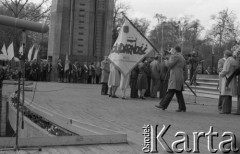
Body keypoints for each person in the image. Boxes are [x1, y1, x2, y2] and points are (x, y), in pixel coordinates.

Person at [155, 46, 188, 112]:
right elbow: (185, 69)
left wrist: (166, 61)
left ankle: (163, 105)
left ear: (175, 50)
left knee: (170, 91)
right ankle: (182, 107)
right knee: (178, 93)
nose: (172, 51)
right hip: (180, 77)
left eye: (173, 50)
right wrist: (185, 78)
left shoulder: (176, 56)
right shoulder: (182, 57)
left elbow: (169, 65)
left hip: (175, 77)